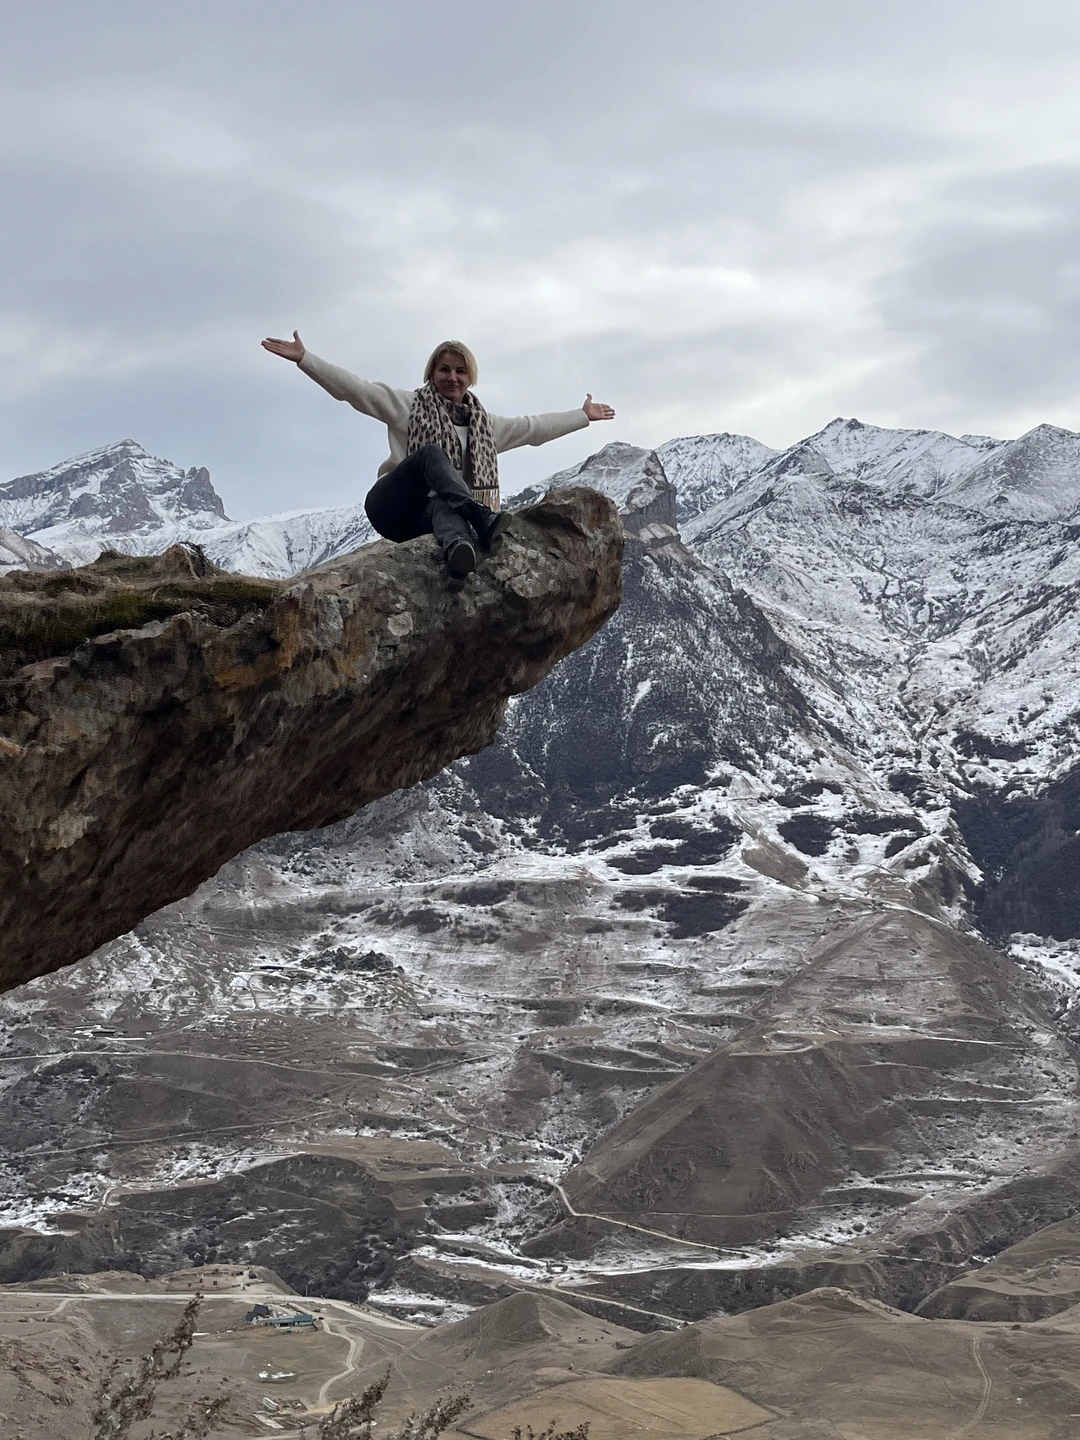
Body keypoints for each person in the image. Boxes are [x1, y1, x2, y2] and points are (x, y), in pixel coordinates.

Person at [262, 331, 615, 589]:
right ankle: (480, 516)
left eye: (460, 371)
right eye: (444, 369)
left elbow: (534, 428)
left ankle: (458, 564)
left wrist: (581, 415)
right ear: (432, 373)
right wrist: (306, 359)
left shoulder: (485, 426)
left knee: (446, 507)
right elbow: (355, 390)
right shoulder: (409, 407)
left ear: (470, 378)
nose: (452, 377)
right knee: (431, 456)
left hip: (426, 518)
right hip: (390, 507)